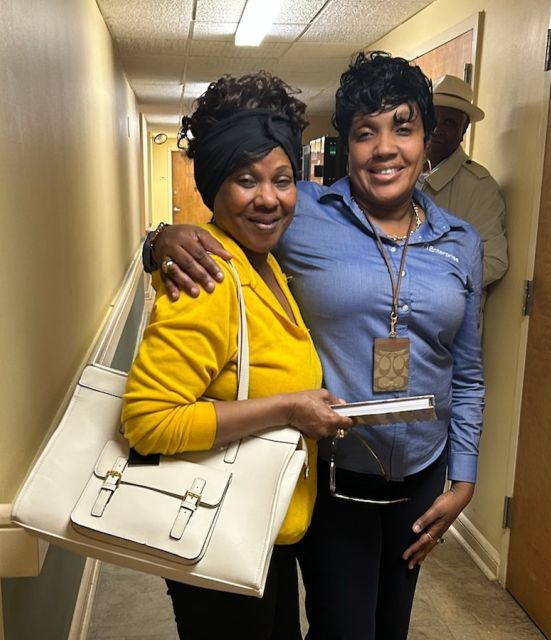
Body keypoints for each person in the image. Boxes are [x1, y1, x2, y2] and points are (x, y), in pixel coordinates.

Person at [148, 51, 485, 640]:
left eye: (403, 128)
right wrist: (161, 240)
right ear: (345, 145)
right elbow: (232, 216)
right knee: (341, 627)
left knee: (392, 627)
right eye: (365, 133)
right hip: (331, 476)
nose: (385, 148)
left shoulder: (463, 243)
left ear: (428, 139)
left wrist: (464, 478)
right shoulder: (303, 214)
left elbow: (469, 371)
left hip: (422, 478)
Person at [122, 71, 352, 640]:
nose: (269, 198)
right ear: (213, 186)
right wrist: (291, 411)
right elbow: (149, 422)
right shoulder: (208, 279)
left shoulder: (261, 263)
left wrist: (158, 239)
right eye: (247, 180)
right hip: (216, 535)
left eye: (282, 178)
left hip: (261, 532)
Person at [420, 74, 508, 290]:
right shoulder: (403, 172)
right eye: (433, 120)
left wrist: (437, 277)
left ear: (463, 131)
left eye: (449, 123)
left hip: (449, 312)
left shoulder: (479, 186)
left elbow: (494, 261)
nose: (437, 129)